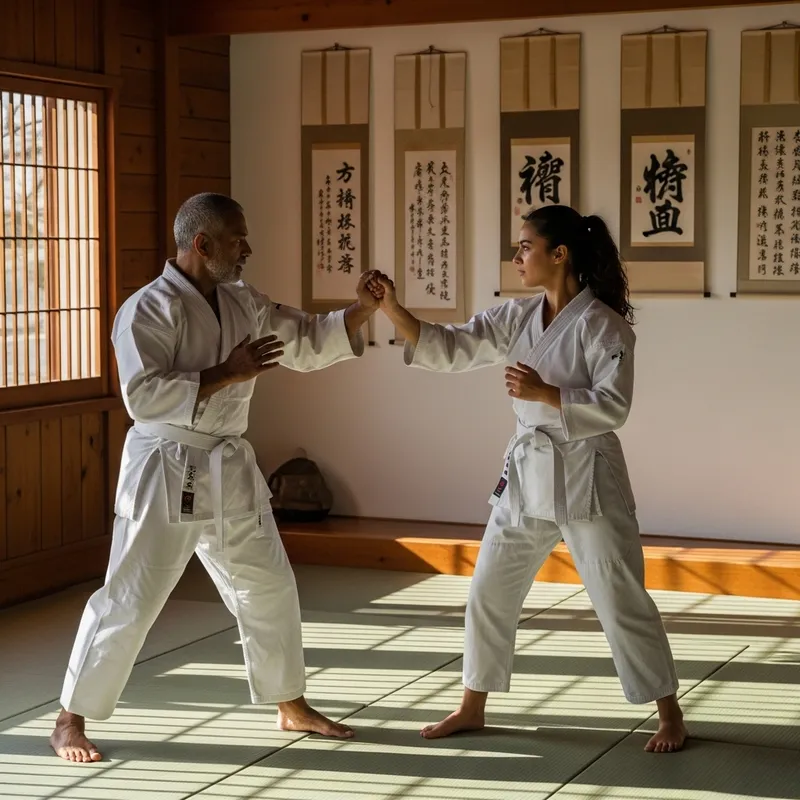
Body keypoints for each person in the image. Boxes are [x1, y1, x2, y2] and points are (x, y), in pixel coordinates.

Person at [51, 193, 381, 763]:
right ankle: (69, 719)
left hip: (228, 464)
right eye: (237, 238)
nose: (247, 248)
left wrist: (360, 311)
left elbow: (302, 336)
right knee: (133, 593)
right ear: (202, 244)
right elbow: (142, 395)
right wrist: (226, 373)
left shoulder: (241, 299)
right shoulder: (146, 309)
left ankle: (289, 702)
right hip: (165, 463)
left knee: (268, 584)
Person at [369, 204, 687, 753]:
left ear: (558, 254)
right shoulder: (516, 316)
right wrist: (393, 310)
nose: (517, 257)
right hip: (526, 472)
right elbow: (452, 345)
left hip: (588, 475)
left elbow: (614, 406)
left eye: (525, 246)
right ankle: (472, 705)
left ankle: (669, 713)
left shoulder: (603, 325)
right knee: (489, 588)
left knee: (619, 595)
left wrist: (547, 393)